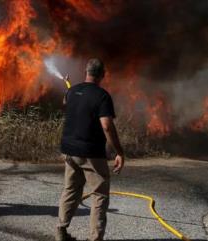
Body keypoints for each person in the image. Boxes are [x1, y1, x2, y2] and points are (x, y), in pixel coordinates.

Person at [56, 58, 125, 241]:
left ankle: (61, 232)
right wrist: (119, 151)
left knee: (70, 190)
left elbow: (66, 101)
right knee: (99, 195)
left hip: (69, 151)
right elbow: (107, 126)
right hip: (90, 153)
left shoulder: (72, 91)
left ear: (85, 72)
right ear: (103, 75)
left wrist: (69, 86)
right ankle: (95, 239)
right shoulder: (102, 96)